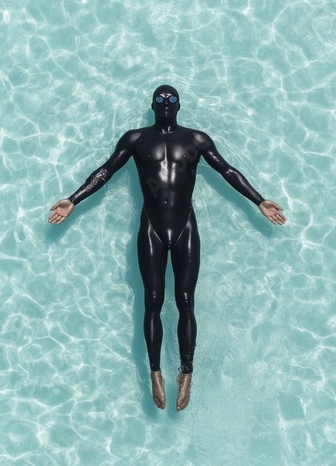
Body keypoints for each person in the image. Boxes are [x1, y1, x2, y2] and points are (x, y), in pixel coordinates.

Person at [48, 85, 286, 411]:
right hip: (152, 229)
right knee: (153, 301)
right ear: (151, 105)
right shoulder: (135, 140)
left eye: (170, 99)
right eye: (160, 99)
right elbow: (106, 170)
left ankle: (186, 373)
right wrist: (73, 200)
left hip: (185, 227)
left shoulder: (196, 140)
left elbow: (227, 170)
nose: (165, 103)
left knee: (186, 300)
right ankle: (156, 372)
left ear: (179, 105)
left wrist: (259, 200)